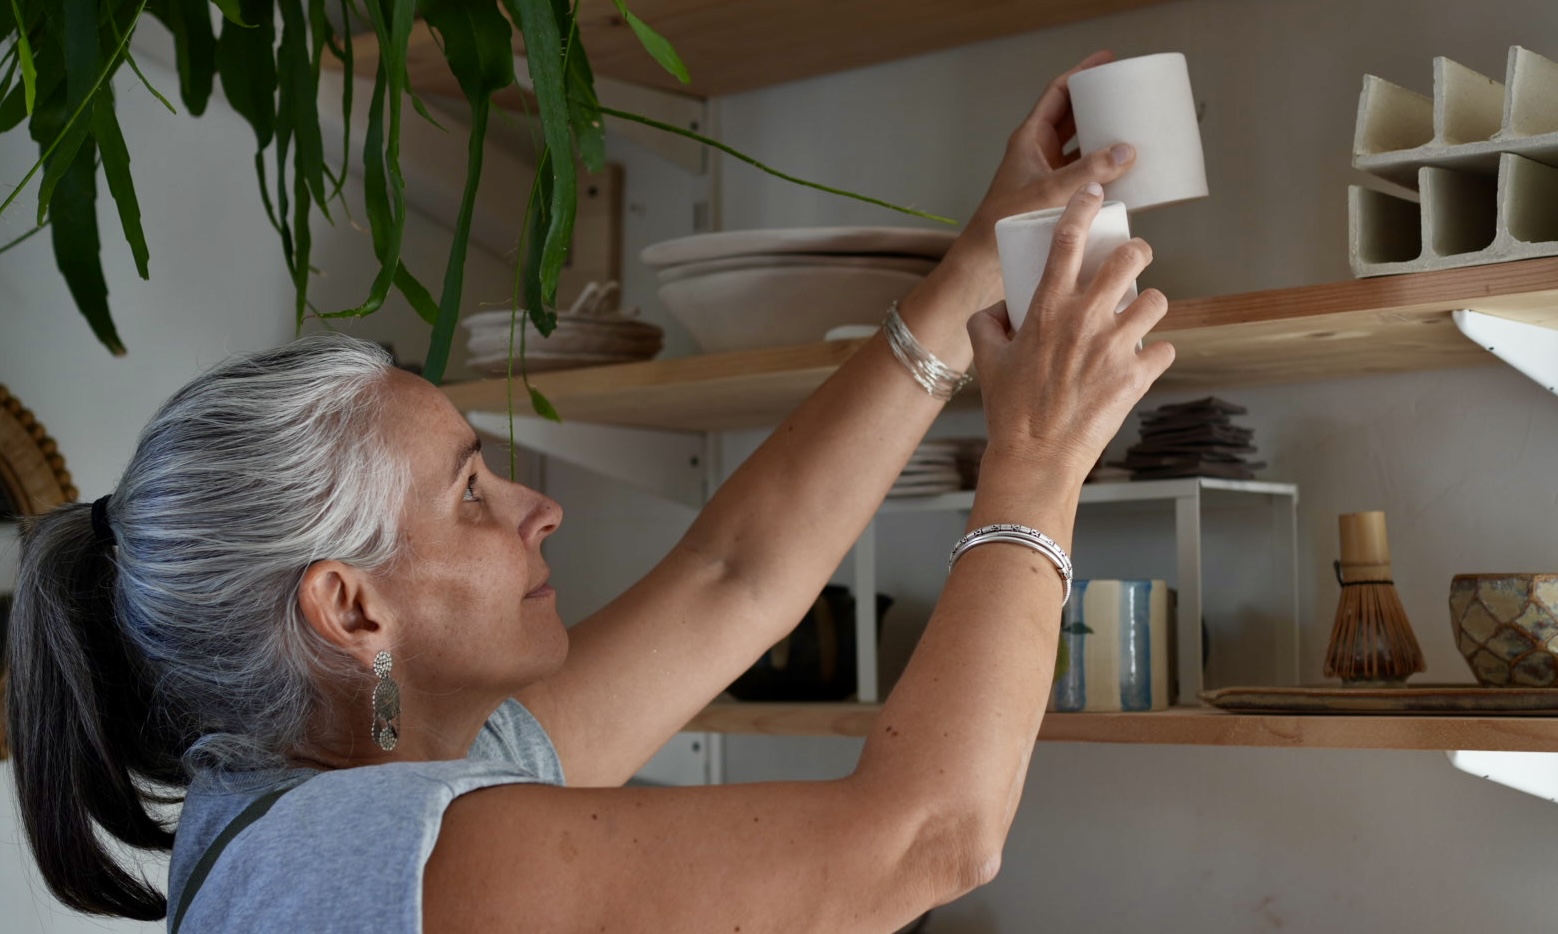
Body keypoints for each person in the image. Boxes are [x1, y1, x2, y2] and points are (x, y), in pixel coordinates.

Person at [5, 51, 1173, 933]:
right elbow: (926, 839)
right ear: (351, 610)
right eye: (469, 493)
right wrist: (1038, 452)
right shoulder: (381, 854)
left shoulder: (385, 779)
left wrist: (978, 258)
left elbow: (738, 574)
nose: (536, 508)